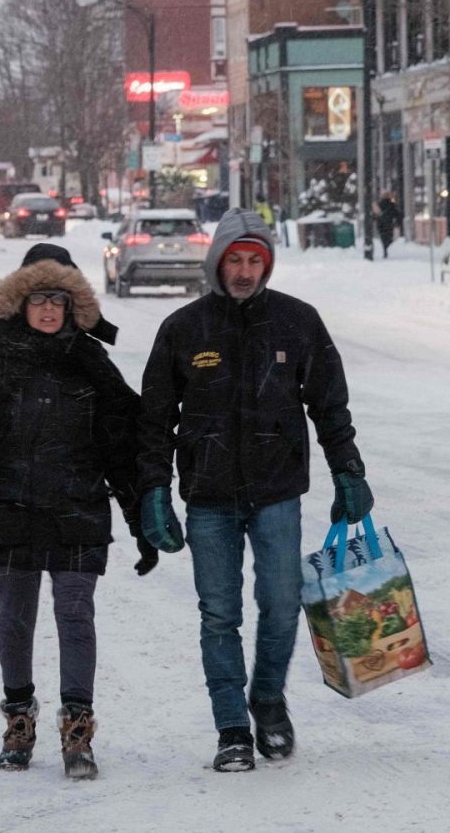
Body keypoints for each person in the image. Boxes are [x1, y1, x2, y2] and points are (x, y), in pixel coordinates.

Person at [136, 210, 369, 773]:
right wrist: (153, 491)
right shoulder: (184, 328)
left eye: (254, 261)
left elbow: (329, 406)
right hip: (209, 494)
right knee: (219, 614)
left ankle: (266, 700)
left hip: (276, 491)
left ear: (266, 264)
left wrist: (348, 471)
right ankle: (232, 729)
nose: (244, 272)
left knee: (283, 605)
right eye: (235, 260)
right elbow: (154, 419)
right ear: (218, 261)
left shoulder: (297, 322)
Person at [0, 242, 153, 781]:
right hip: (7, 506)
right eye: (38, 299)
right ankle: (19, 720)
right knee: (14, 617)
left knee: (75, 614)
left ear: (73, 305)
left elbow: (121, 450)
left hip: (76, 508)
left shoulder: (92, 364)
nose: (49, 310)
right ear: (20, 303)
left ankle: (77, 727)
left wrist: (141, 522)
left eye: (58, 298)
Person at [375, 192, 402, 258]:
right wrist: (398, 222)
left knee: (383, 238)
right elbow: (397, 213)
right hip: (389, 224)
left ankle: (385, 249)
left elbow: (375, 214)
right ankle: (386, 247)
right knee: (389, 237)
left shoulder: (379, 204)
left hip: (381, 224)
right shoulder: (391, 204)